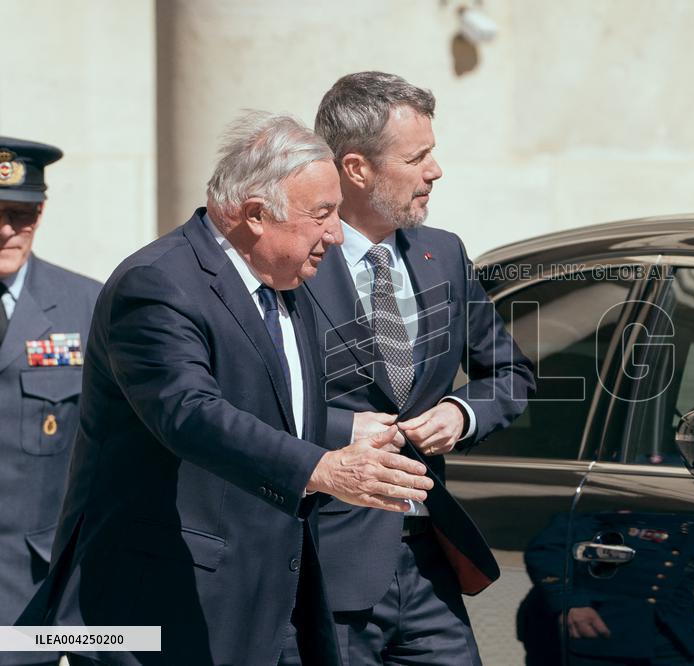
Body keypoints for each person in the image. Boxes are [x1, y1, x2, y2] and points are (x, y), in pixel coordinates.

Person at [21, 111, 433, 666]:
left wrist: (342, 435)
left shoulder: (286, 280)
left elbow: (270, 407)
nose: (336, 234)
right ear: (256, 215)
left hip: (277, 597)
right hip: (165, 607)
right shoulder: (158, 284)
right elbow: (189, 413)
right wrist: (320, 467)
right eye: (323, 215)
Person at [309, 71, 535, 664]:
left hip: (429, 556)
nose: (435, 171)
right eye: (416, 158)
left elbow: (510, 373)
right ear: (356, 169)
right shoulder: (295, 260)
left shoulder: (444, 253)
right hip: (325, 563)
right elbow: (252, 398)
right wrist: (343, 430)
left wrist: (461, 413)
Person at [0, 137, 101, 666]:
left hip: (40, 588)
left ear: (40, 213)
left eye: (20, 215)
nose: (5, 230)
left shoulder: (88, 306)